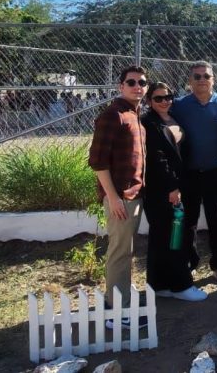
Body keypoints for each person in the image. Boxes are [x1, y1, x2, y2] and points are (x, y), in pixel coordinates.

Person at [171, 61, 217, 284]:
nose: (202, 80)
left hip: (216, 172)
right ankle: (189, 264)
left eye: (206, 76)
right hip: (189, 173)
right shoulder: (180, 105)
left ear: (213, 79)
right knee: (188, 221)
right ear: (190, 81)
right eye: (197, 76)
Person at [88, 66, 148, 329]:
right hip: (121, 198)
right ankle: (118, 312)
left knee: (125, 250)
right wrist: (113, 197)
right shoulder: (113, 116)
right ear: (120, 86)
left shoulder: (134, 115)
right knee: (120, 252)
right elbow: (98, 161)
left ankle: (117, 299)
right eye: (131, 82)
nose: (137, 86)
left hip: (134, 194)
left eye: (142, 82)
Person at [141, 82, 207, 302]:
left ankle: (159, 284)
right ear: (149, 101)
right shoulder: (149, 123)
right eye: (158, 98)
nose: (164, 101)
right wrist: (172, 187)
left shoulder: (172, 117)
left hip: (179, 185)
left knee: (166, 236)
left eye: (168, 97)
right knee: (172, 236)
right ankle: (181, 286)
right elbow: (156, 159)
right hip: (162, 189)